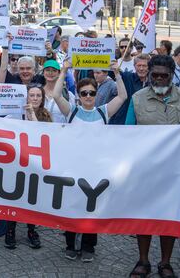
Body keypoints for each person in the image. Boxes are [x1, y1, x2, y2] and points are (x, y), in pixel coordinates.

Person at [129, 55, 180, 278]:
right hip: (145, 170)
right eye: (154, 75)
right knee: (144, 216)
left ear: (172, 75)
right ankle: (143, 260)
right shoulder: (137, 99)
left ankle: (165, 263)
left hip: (175, 172)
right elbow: (127, 133)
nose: (158, 79)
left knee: (170, 216)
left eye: (163, 75)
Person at [54, 60, 128, 262]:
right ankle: (70, 244)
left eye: (92, 93)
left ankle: (88, 246)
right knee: (71, 206)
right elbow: (56, 95)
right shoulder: (72, 111)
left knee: (91, 209)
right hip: (73, 168)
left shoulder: (103, 112)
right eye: (84, 93)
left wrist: (117, 73)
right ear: (78, 95)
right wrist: (64, 70)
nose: (88, 97)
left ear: (97, 94)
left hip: (95, 170)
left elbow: (122, 96)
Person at [3, 83, 48, 251]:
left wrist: (32, 115)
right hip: (16, 163)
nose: (35, 98)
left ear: (42, 99)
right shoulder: (14, 115)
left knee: (32, 198)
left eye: (38, 96)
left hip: (35, 165)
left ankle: (31, 230)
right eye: (32, 95)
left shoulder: (45, 116)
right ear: (26, 97)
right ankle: (10, 230)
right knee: (13, 196)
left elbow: (42, 133)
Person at [119, 53, 151, 125]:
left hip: (146, 123)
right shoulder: (127, 77)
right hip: (128, 120)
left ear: (149, 67)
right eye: (139, 65)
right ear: (134, 66)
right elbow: (115, 74)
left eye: (144, 66)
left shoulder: (153, 82)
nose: (141, 68)